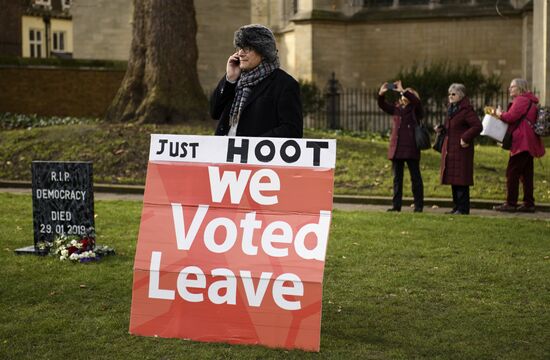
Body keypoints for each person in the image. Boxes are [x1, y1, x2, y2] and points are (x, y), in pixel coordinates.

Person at [210, 24, 303, 138]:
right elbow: (214, 112)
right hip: (224, 152)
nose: (240, 53)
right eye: (239, 48)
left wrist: (255, 145)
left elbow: (292, 130)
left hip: (257, 154)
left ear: (264, 52)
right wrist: (230, 79)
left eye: (247, 48)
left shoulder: (285, 84)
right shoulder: (236, 78)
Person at [494, 78, 545, 212]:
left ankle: (511, 203)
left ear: (520, 88)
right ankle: (529, 204)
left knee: (512, 172)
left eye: (512, 87)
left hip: (522, 142)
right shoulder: (529, 101)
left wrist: (499, 114)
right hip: (529, 142)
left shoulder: (522, 100)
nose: (509, 89)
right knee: (526, 174)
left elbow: (510, 117)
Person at [378, 80, 424, 212]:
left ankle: (418, 206)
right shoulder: (397, 108)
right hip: (397, 148)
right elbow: (383, 105)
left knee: (415, 177)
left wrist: (403, 90)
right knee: (397, 178)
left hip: (411, 147)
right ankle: (396, 206)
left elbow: (417, 102)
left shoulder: (415, 109)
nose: (404, 96)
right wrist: (381, 94)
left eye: (408, 94)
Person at [436, 83, 482, 215]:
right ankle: (456, 207)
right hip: (451, 149)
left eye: (453, 94)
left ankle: (463, 209)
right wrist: (441, 129)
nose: (450, 96)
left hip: (462, 149)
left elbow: (477, 126)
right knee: (453, 179)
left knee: (461, 180)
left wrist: (465, 138)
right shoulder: (452, 108)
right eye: (449, 94)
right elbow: (452, 127)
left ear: (460, 96)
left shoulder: (466, 110)